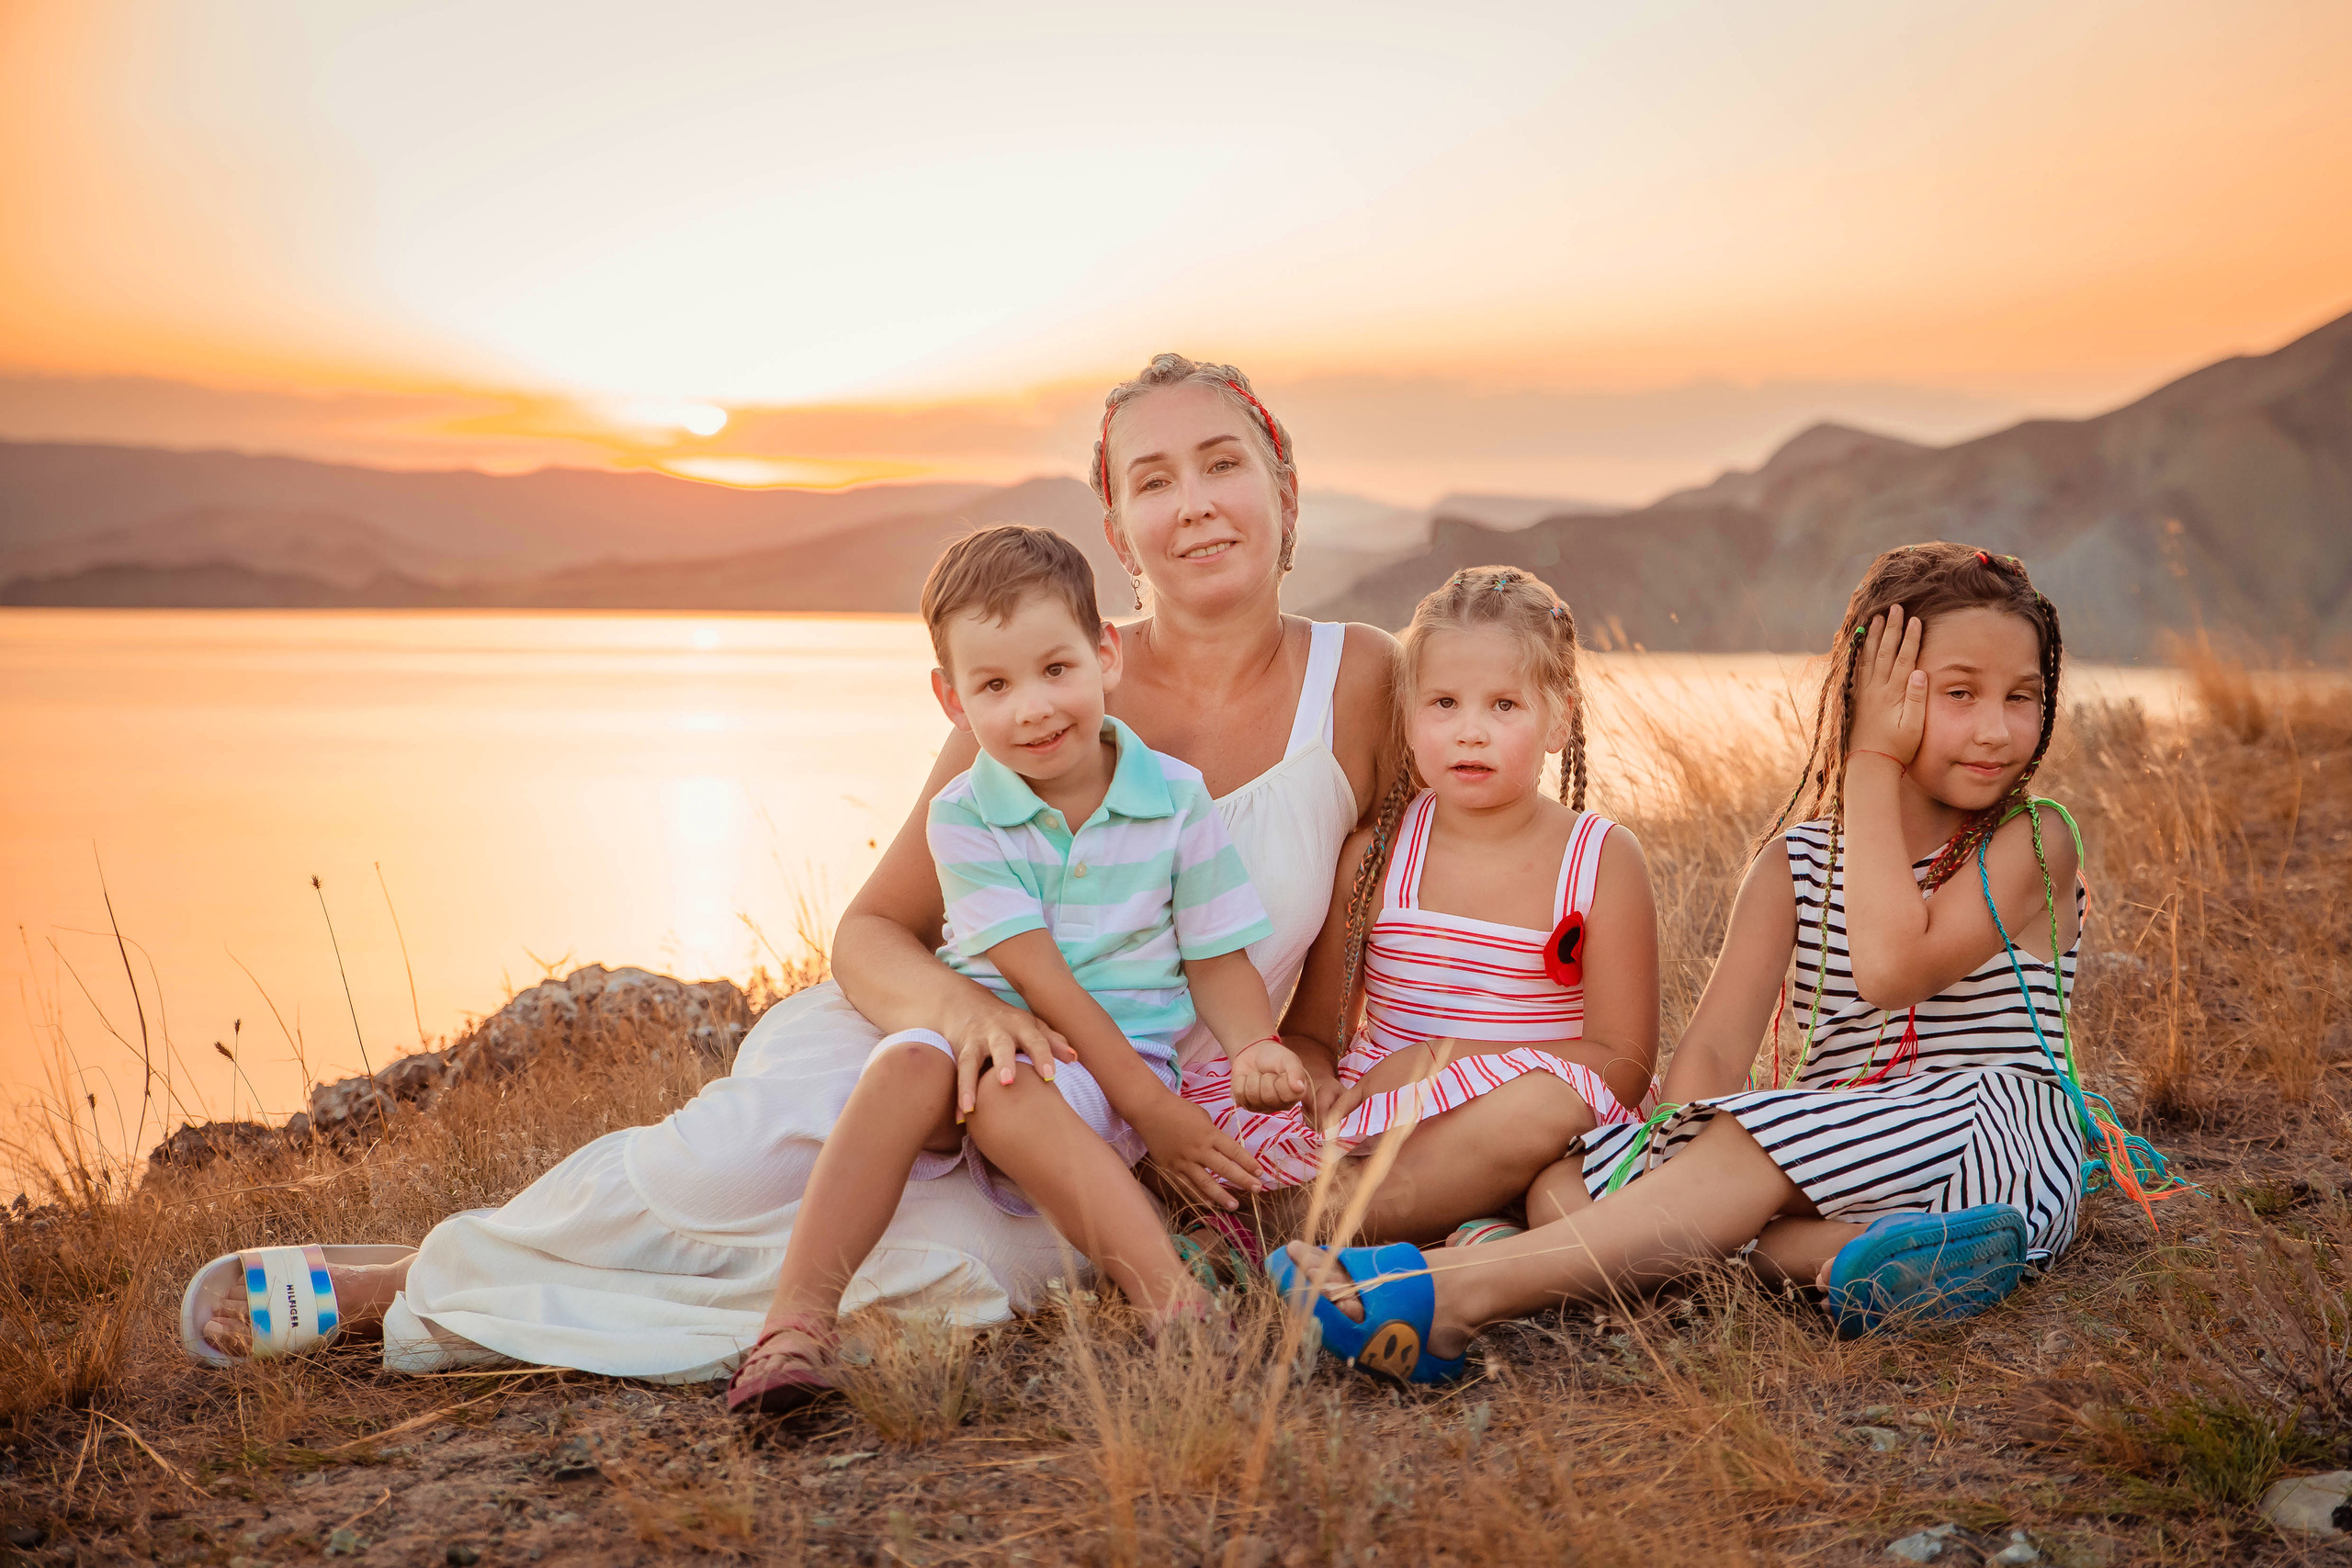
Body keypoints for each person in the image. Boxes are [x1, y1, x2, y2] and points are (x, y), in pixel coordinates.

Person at [184, 353, 1400, 1382]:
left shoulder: (1365, 684)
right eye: (1154, 479)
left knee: (938, 1280)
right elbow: (874, 929)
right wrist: (967, 1020)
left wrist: (1271, 1101)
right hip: (938, 1037)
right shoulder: (1042, 682)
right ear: (1118, 527)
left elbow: (1365, 959)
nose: (1195, 504)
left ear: (1284, 487)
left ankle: (479, 1306)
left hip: (1119, 1109)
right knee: (725, 1170)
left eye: (1223, 463)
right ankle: (415, 1270)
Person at [1275, 543, 2119, 1385]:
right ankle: (1856, 1257)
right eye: (1960, 693)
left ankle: (1450, 1292)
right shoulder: (1795, 863)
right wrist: (1654, 1163)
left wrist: (1870, 757)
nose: (1995, 728)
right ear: (1871, 688)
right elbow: (1711, 1053)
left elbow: (1892, 966)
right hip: (1837, 1158)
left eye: (2021, 697)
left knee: (1745, 1149)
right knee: (1564, 1188)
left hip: (1988, 1142)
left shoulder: (2034, 838)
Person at [729, 525, 1288, 1412]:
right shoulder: (965, 815)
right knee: (906, 1063)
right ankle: (795, 1325)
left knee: (1006, 1083)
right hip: (989, 1034)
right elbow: (1037, 981)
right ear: (952, 699)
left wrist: (1254, 1044)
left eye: (1055, 668)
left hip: (1106, 1075)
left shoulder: (1176, 798)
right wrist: (1159, 1118)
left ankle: (1174, 1307)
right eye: (995, 685)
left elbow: (1216, 956)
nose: (1033, 708)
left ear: (1106, 655)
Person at [1203, 566, 1658, 1255]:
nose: (1470, 731)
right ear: (1408, 715)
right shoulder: (1377, 858)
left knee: (1541, 1110)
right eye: (1444, 703)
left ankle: (1273, 1231)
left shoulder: (1601, 859)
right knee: (1196, 1114)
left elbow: (1623, 1063)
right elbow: (1314, 1034)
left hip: (1535, 1126)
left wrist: (1436, 1062)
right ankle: (1455, 1227)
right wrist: (1316, 1082)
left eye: (1504, 705)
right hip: (1385, 1124)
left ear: (1560, 718)